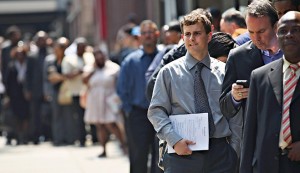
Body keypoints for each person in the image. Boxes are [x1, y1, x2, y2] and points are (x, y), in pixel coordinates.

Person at [148, 10, 237, 173]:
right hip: (181, 153)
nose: (191, 39)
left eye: (197, 33)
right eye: (187, 34)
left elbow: (234, 113)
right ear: (182, 38)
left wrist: (235, 150)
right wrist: (174, 140)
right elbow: (156, 112)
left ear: (209, 35)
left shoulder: (224, 71)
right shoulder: (168, 73)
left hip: (220, 153)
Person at [240, 11, 300, 173]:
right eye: (282, 31)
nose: (288, 35)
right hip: (267, 165)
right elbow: (250, 133)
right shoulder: (260, 76)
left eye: (295, 30)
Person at [117, 20, 160, 173]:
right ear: (139, 37)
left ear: (157, 35)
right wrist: (129, 110)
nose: (148, 36)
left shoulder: (164, 57)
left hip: (161, 115)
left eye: (151, 32)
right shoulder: (130, 61)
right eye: (144, 33)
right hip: (138, 115)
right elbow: (122, 89)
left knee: (160, 156)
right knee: (138, 155)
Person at [83, 48, 126, 157]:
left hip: (110, 99)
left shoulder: (114, 68)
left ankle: (123, 145)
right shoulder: (90, 68)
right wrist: (93, 70)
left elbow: (120, 83)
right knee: (100, 125)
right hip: (96, 100)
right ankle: (103, 149)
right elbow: (84, 81)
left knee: (111, 123)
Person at [44, 37, 71, 146]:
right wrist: (64, 77)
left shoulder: (69, 59)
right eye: (59, 47)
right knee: (56, 116)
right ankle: (58, 139)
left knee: (68, 115)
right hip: (55, 91)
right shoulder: (50, 60)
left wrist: (62, 77)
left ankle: (69, 138)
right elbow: (51, 77)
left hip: (68, 91)